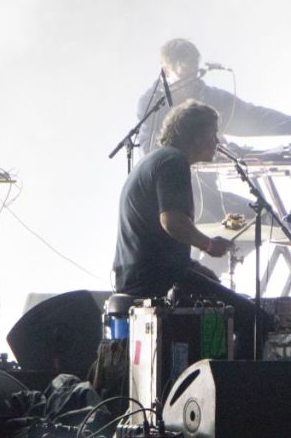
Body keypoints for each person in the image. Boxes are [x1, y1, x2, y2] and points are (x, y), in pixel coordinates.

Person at [113, 99, 268, 358]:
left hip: (140, 272)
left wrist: (193, 267)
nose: (217, 141)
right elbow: (171, 222)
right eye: (213, 134)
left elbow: (158, 237)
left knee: (220, 298)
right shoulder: (174, 161)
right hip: (155, 279)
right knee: (255, 320)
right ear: (195, 136)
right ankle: (236, 382)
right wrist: (209, 245)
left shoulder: (157, 159)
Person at [135, 38, 291, 223]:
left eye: (194, 75)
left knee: (264, 218)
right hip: (170, 198)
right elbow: (150, 154)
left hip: (208, 194)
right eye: (184, 76)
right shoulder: (151, 106)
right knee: (215, 224)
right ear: (166, 70)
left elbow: (251, 115)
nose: (191, 83)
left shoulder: (208, 97)